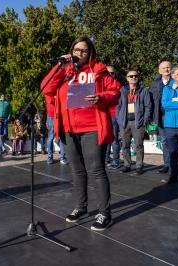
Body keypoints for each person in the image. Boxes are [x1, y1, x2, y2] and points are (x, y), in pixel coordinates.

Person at [42, 36, 121, 231]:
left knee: (96, 170)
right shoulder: (65, 72)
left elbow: (116, 91)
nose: (79, 53)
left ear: (90, 53)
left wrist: (100, 97)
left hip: (92, 128)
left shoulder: (98, 71)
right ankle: (81, 207)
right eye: (76, 50)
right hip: (68, 129)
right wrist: (60, 67)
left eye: (83, 50)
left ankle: (105, 213)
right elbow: (45, 88)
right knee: (77, 171)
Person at [116, 68, 152, 175]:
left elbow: (148, 106)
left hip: (138, 122)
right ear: (127, 78)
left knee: (139, 145)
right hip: (125, 122)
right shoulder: (122, 90)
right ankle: (127, 165)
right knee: (125, 145)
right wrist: (119, 119)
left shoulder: (143, 90)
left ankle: (139, 165)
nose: (133, 78)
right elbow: (118, 106)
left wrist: (144, 120)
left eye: (135, 76)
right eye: (131, 76)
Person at [151, 61, 172, 173]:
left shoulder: (176, 81)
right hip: (160, 116)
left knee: (174, 141)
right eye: (163, 68)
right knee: (164, 141)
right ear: (160, 70)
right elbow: (151, 100)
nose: (166, 69)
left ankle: (176, 166)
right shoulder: (155, 83)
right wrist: (150, 116)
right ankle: (167, 164)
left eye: (168, 67)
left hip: (172, 116)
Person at [105, 66, 121, 169]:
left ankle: (115, 161)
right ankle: (106, 158)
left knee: (114, 139)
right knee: (105, 138)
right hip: (104, 114)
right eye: (108, 73)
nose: (110, 75)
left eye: (112, 73)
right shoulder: (101, 84)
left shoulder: (118, 85)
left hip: (114, 115)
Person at [45, 95, 67, 164]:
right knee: (51, 137)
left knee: (61, 136)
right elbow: (50, 101)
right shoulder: (49, 91)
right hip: (52, 115)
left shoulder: (55, 90)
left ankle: (62, 157)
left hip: (59, 115)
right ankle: (50, 157)